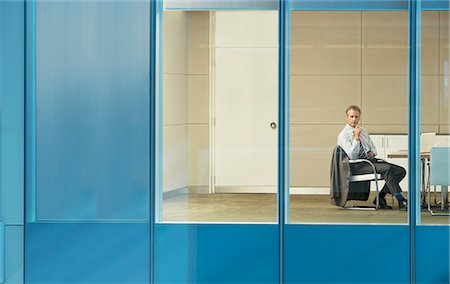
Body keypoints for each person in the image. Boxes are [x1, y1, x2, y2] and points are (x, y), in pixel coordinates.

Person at [337, 105, 408, 210]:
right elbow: (352, 156)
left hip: (369, 161)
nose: (354, 119)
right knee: (387, 169)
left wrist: (372, 152)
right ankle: (401, 200)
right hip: (357, 165)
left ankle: (380, 197)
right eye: (352, 116)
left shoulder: (363, 131)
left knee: (400, 171)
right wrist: (356, 138)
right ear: (347, 117)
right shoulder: (343, 136)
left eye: (356, 117)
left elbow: (373, 147)